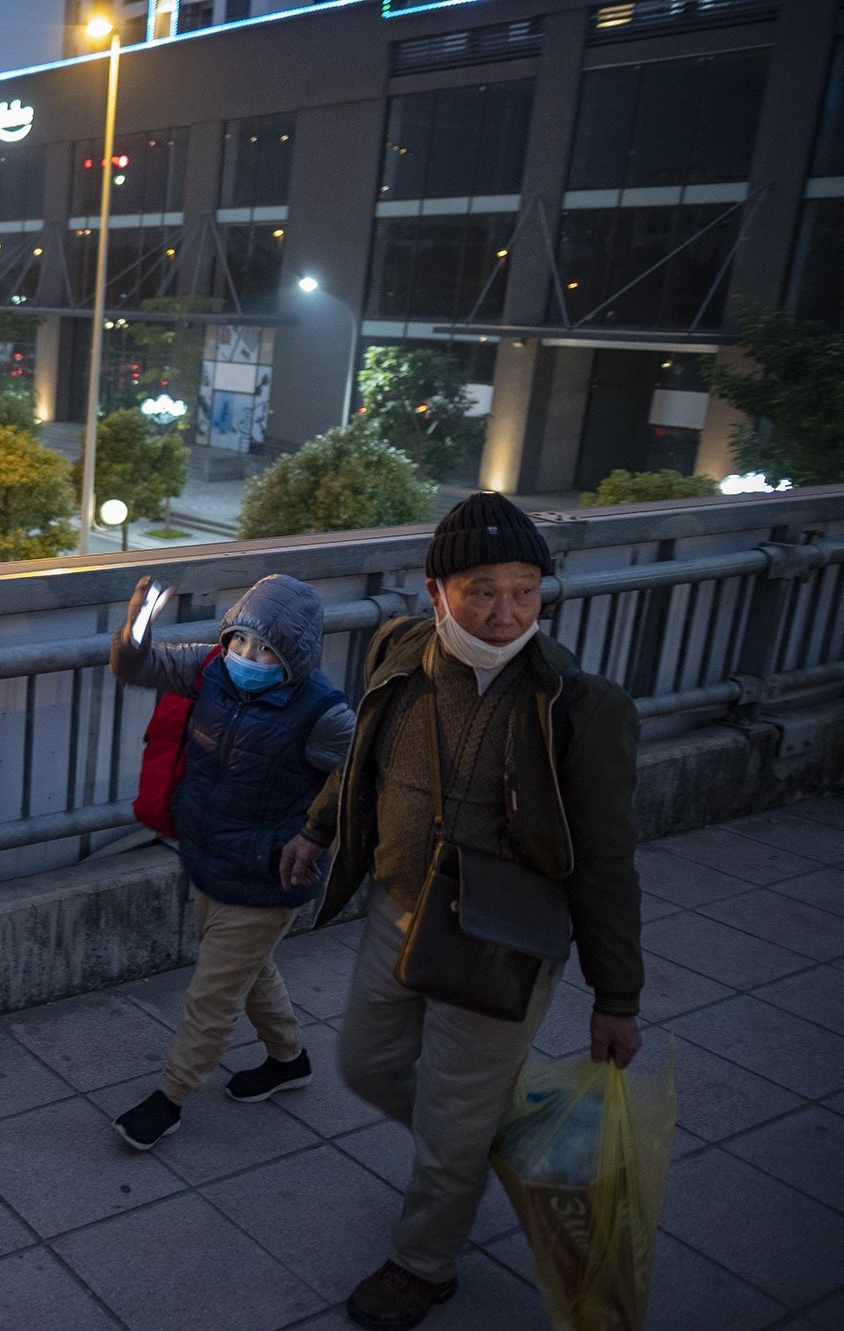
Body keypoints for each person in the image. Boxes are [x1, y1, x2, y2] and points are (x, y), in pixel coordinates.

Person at [278, 492, 644, 1331]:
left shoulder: (579, 708)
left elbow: (609, 863)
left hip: (502, 940)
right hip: (399, 908)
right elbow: (362, 760)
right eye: (483, 588)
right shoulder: (401, 649)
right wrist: (318, 826)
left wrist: (616, 996)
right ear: (435, 589)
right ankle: (476, 1147)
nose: (506, 610)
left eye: (526, 588)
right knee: (365, 1065)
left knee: (451, 1116)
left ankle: (425, 1260)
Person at [109, 574, 357, 1150]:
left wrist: (317, 835)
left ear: (293, 654)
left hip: (272, 870)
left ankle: (169, 1099)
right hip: (211, 853)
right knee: (247, 970)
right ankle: (289, 1059)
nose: (247, 656)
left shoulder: (322, 711)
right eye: (240, 640)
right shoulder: (209, 668)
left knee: (212, 992)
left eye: (266, 648)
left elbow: (365, 772)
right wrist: (138, 627)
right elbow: (135, 667)